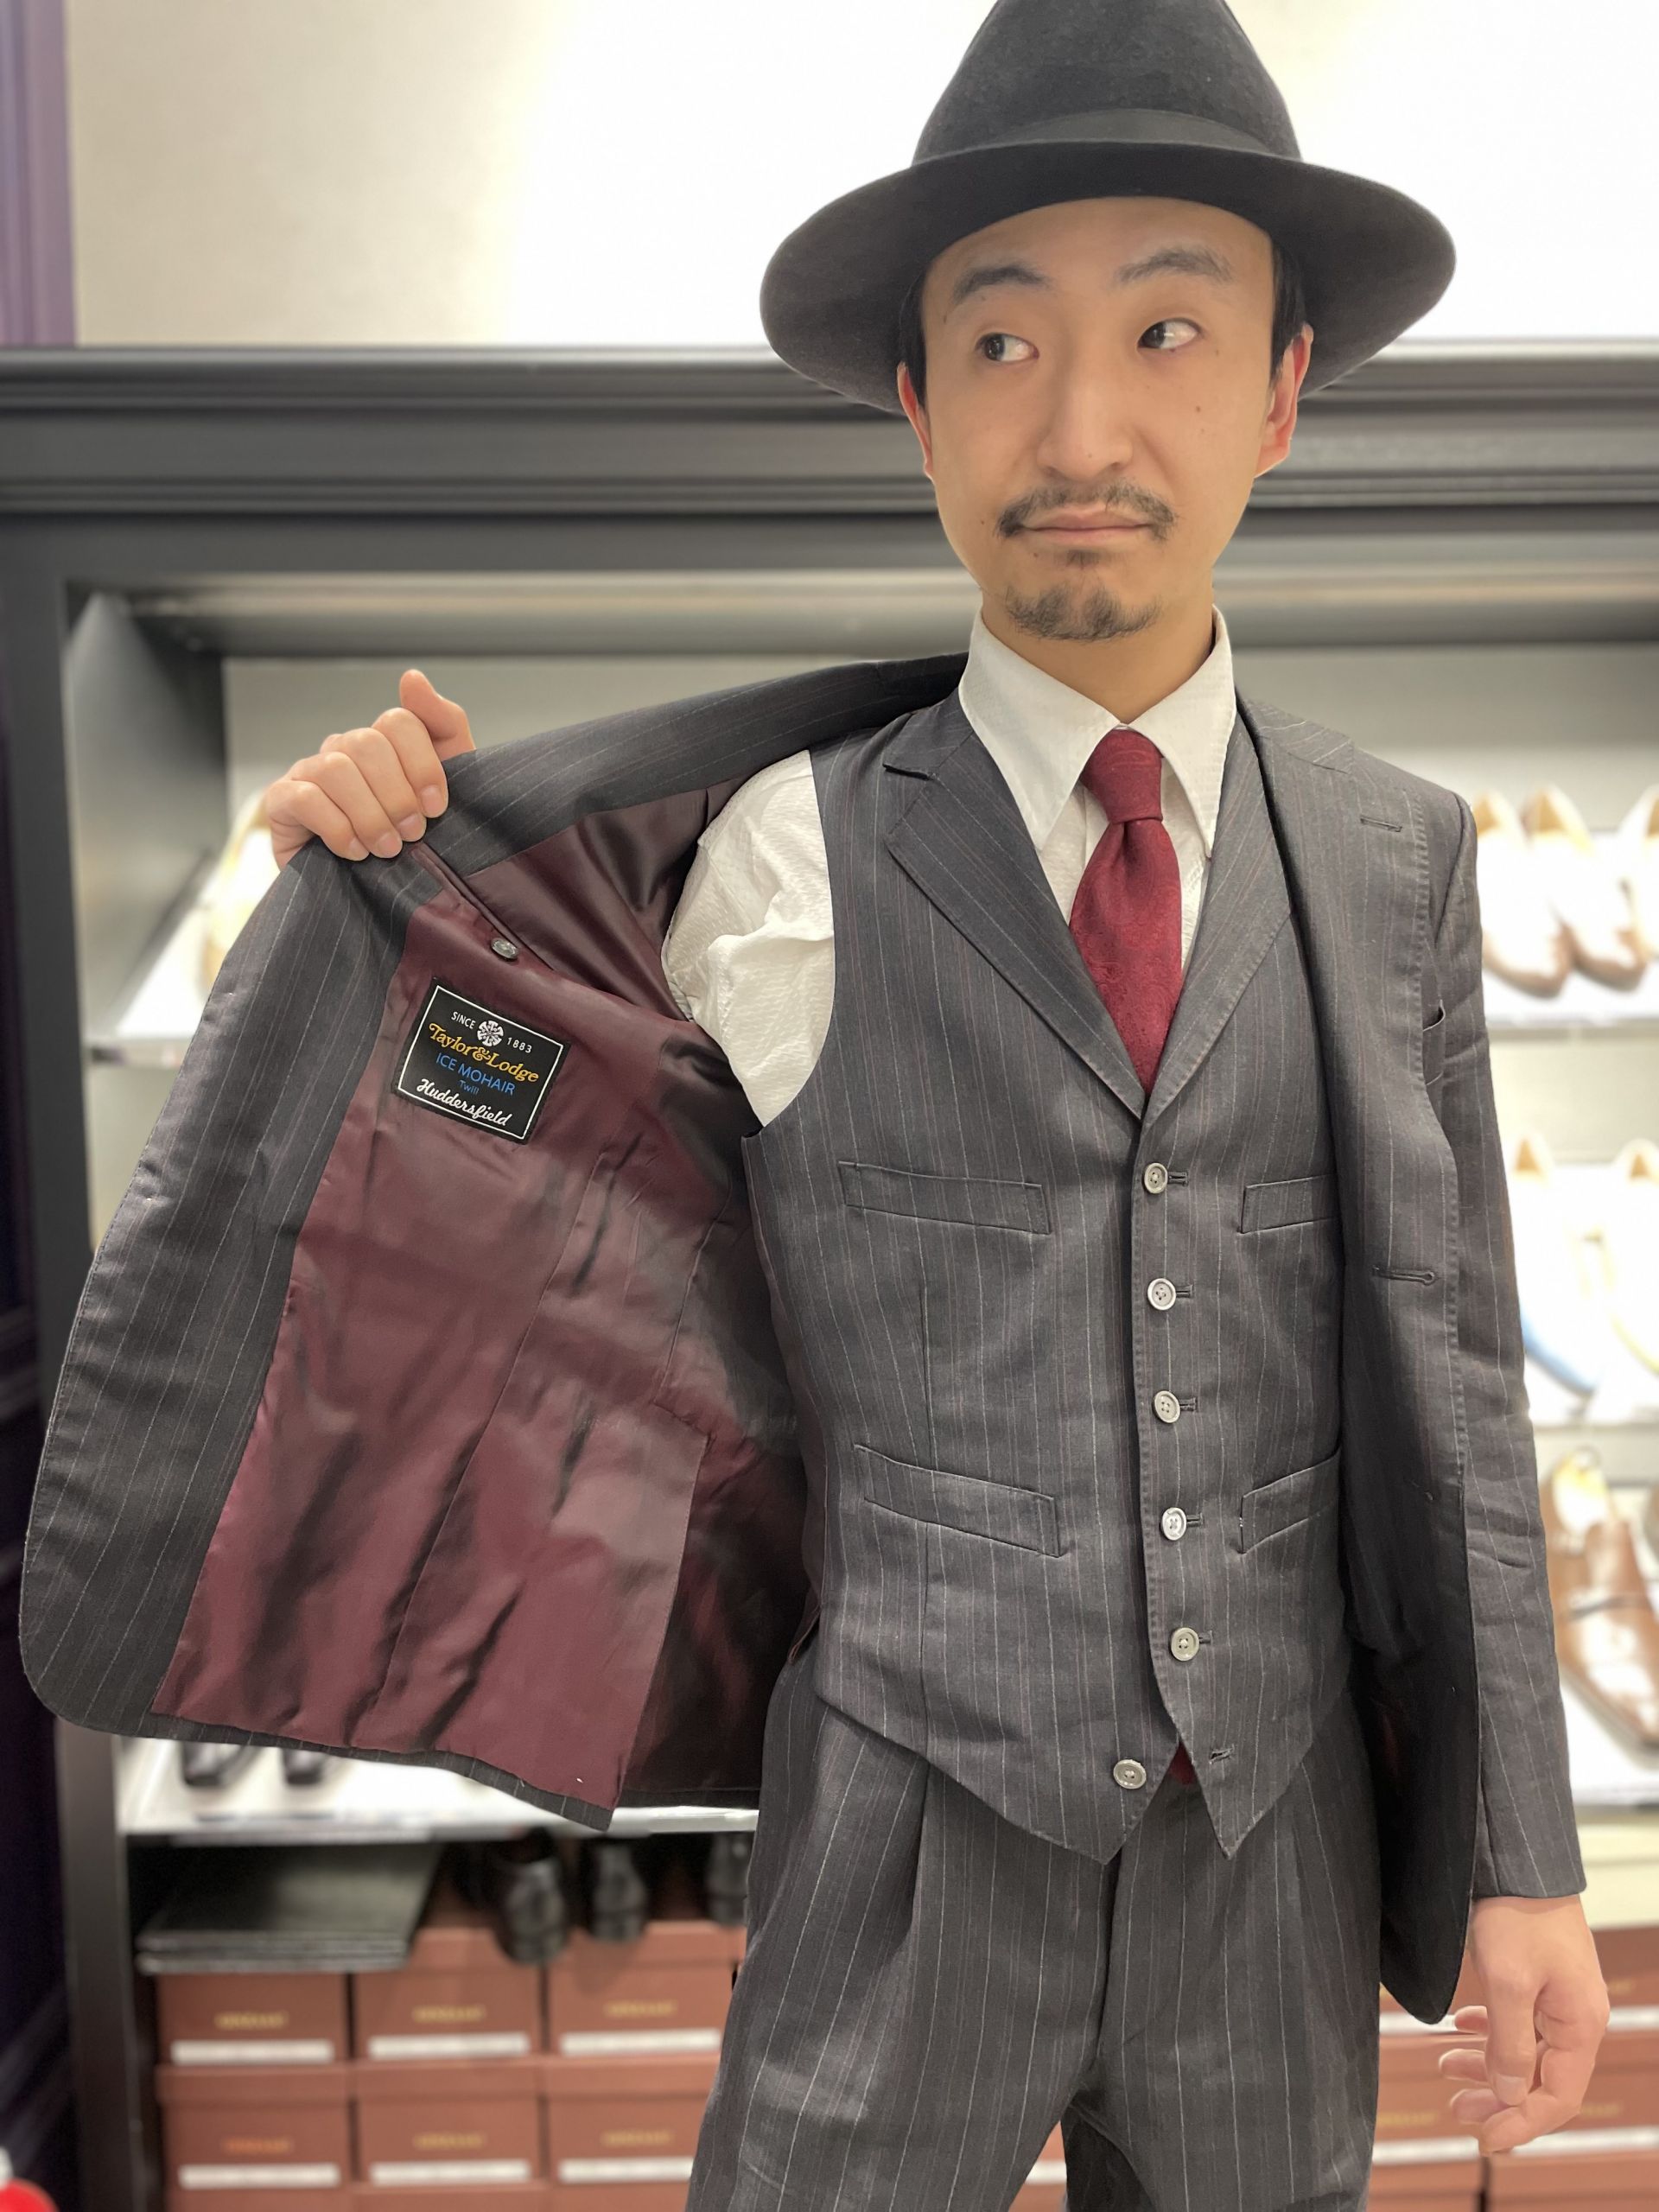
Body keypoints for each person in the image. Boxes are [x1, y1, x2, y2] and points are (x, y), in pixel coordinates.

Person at [45, 3, 1613, 2205]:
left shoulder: (1397, 859)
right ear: (915, 399)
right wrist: (373, 883)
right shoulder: (769, 848)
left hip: (1271, 1858)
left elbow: (1453, 1381)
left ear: (1279, 390)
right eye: (1002, 343)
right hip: (898, 1841)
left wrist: (1522, 1849)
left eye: (1168, 330)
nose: (1083, 422)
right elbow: (500, 1155)